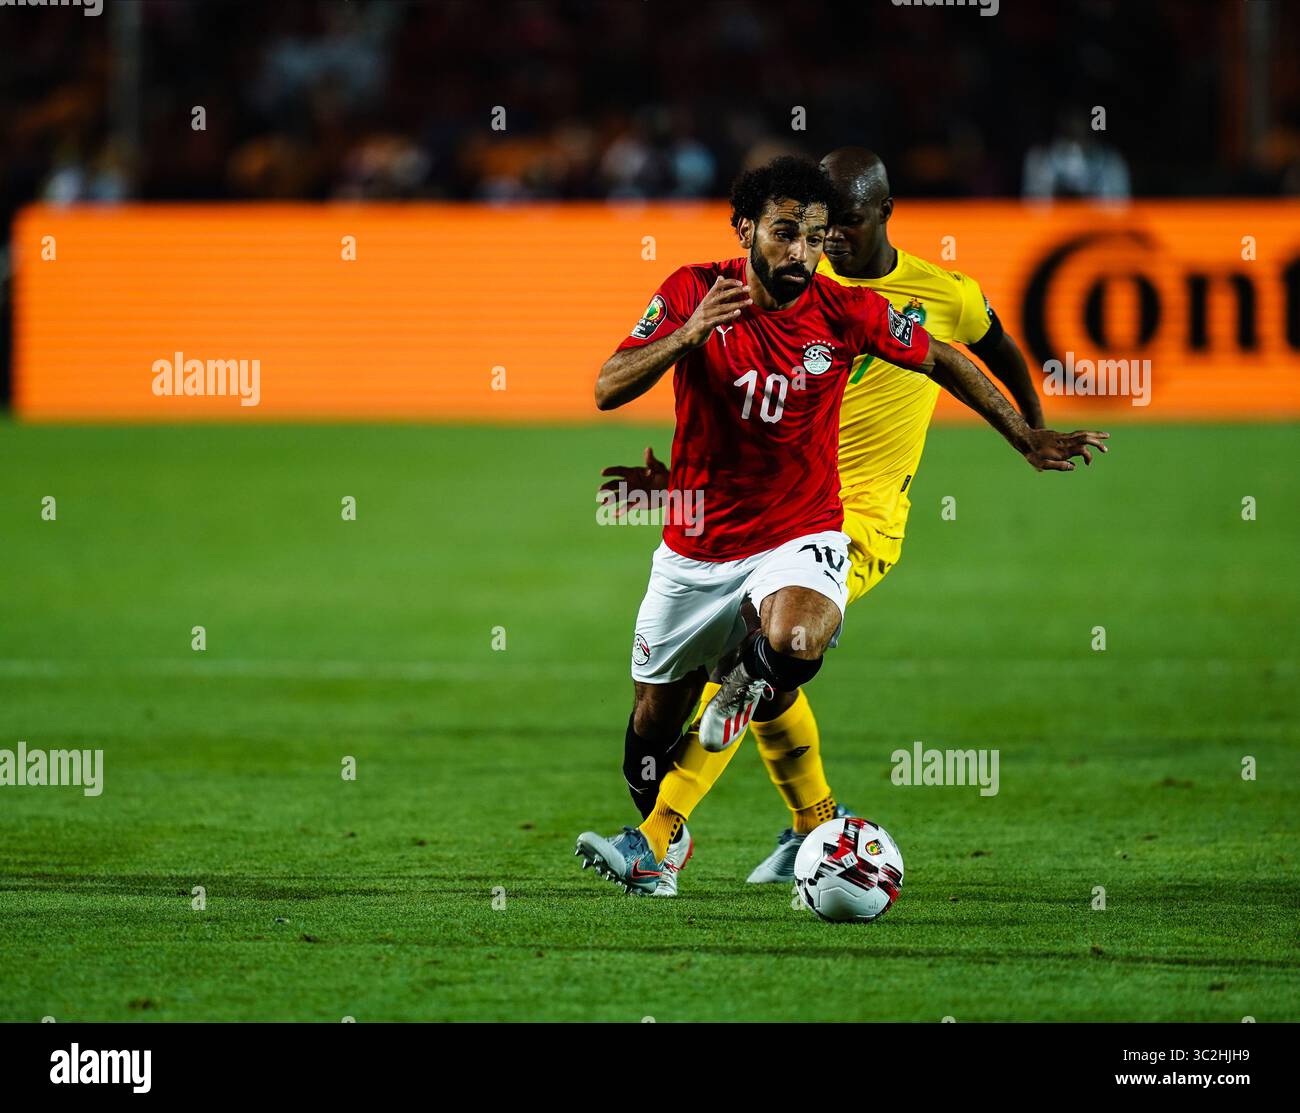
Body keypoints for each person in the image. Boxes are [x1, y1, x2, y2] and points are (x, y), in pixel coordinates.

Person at [576, 156, 1106, 896]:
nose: (804, 251)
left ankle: (660, 833)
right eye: (788, 233)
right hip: (698, 549)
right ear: (747, 231)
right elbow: (606, 385)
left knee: (787, 644)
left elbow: (949, 357)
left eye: (817, 236)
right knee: (648, 738)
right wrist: (688, 336)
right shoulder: (693, 291)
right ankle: (779, 820)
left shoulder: (851, 310)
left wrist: (1026, 434)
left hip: (806, 529)